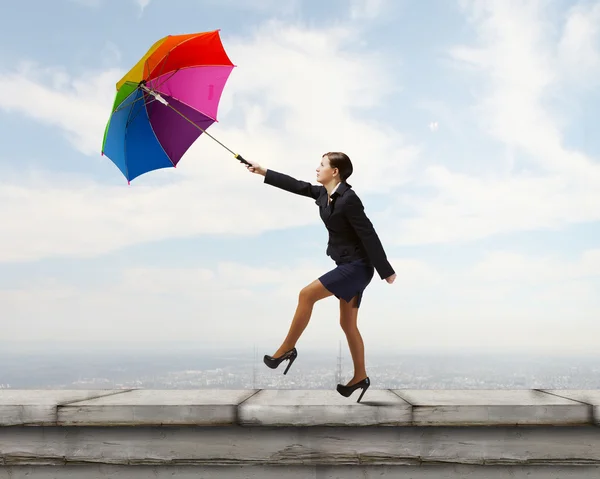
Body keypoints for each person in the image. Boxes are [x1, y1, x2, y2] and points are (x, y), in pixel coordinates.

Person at [245, 152, 396, 403]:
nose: (317, 168)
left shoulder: (349, 199)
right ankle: (360, 376)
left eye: (322, 165)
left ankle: (286, 349)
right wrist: (263, 171)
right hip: (347, 264)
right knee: (347, 325)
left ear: (335, 171)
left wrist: (386, 270)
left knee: (306, 294)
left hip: (357, 267)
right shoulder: (323, 195)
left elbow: (368, 233)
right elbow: (296, 186)